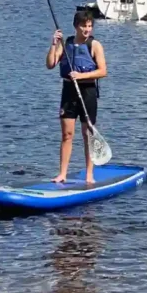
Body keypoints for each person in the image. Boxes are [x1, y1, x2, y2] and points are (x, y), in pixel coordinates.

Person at [46, 11, 107, 185]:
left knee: (87, 134)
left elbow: (103, 71)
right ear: (76, 26)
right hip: (68, 91)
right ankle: (62, 173)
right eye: (83, 26)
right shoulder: (67, 44)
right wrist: (53, 44)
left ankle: (89, 174)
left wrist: (81, 76)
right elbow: (50, 64)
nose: (87, 29)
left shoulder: (95, 45)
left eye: (89, 26)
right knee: (67, 134)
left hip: (87, 91)